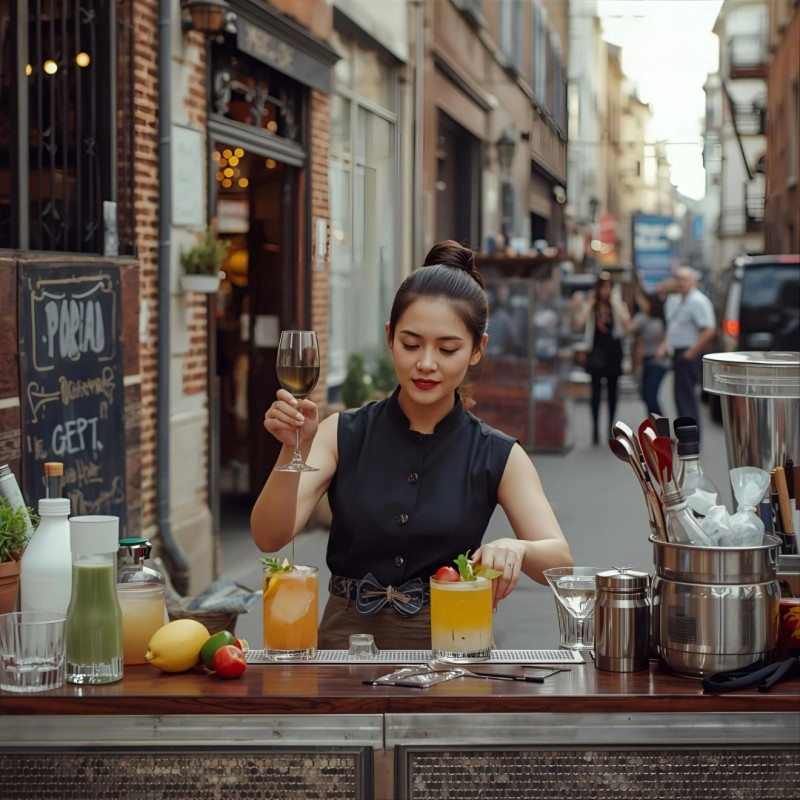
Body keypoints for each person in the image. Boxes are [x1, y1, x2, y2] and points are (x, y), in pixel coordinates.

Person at [251, 240, 573, 649]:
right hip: (345, 649)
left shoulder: (498, 453)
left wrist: (517, 547)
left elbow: (561, 561)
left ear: (478, 349)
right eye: (411, 343)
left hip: (455, 648)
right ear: (390, 338)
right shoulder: (341, 432)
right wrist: (289, 447)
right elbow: (269, 536)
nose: (426, 363)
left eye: (448, 348)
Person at [656, 266, 716, 437]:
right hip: (680, 352)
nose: (679, 283)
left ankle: (692, 440)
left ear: (693, 282)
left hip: (688, 353)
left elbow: (709, 329)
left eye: (683, 279)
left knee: (687, 397)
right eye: (677, 279)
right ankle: (687, 437)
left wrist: (692, 351)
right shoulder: (682, 300)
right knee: (680, 397)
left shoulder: (697, 301)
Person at [572, 272, 631, 445]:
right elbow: (579, 323)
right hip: (596, 353)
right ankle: (595, 428)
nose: (605, 291)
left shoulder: (618, 305)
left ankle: (610, 427)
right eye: (602, 287)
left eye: (608, 287)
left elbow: (627, 323)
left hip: (613, 352)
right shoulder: (592, 306)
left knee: (613, 392)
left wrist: (615, 303)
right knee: (596, 393)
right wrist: (589, 303)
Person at [629, 283, 668, 416]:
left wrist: (663, 348)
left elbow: (668, 336)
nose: (642, 304)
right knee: (646, 396)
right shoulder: (642, 318)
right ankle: (654, 428)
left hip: (658, 361)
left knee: (650, 396)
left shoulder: (657, 319)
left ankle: (661, 427)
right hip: (646, 360)